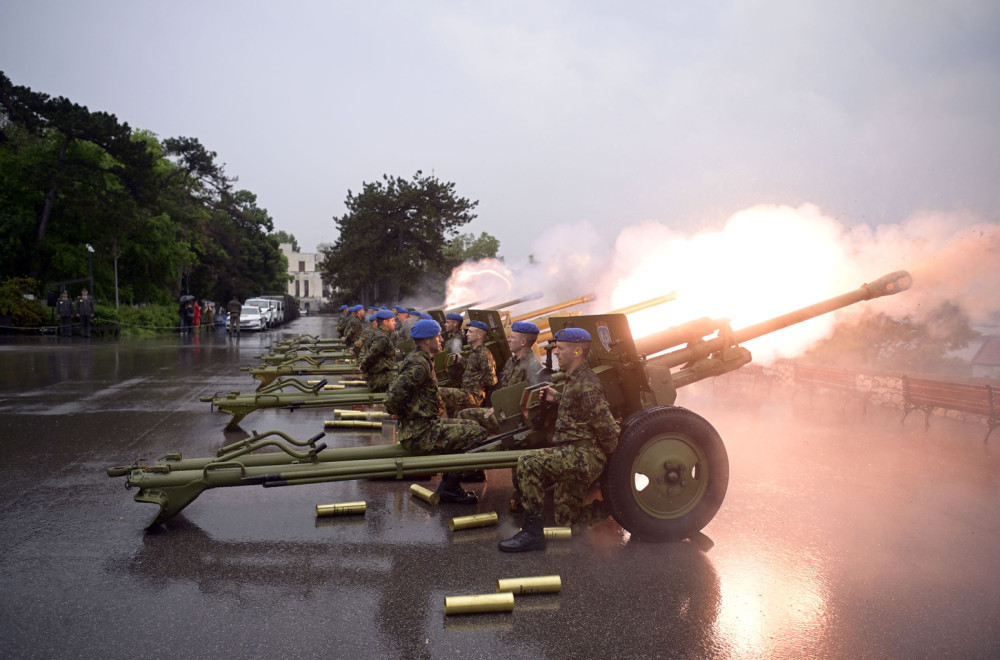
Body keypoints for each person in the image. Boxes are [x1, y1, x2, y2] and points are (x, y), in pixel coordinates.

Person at [498, 327, 621, 553]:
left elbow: (609, 431)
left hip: (583, 455)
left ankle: (532, 534)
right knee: (566, 521)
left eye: (561, 349)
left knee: (527, 462)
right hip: (574, 452)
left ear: (577, 351)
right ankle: (612, 508)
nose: (556, 353)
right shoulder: (576, 379)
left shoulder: (587, 385)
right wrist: (558, 398)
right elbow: (579, 407)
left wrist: (610, 468)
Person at [383, 319, 487, 504]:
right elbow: (393, 395)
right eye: (437, 337)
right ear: (427, 341)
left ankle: (450, 484)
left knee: (472, 425)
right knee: (476, 434)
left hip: (424, 426)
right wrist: (395, 411)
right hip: (420, 433)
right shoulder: (420, 365)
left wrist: (400, 411)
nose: (440, 339)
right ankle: (450, 487)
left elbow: (397, 387)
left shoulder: (419, 358)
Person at [457, 321, 544, 435]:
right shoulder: (512, 362)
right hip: (502, 411)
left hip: (512, 419)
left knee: (465, 416)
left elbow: (529, 403)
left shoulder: (533, 367)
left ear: (523, 342)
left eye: (512, 337)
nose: (508, 340)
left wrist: (499, 409)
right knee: (465, 416)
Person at [438, 320, 497, 417]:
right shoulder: (474, 352)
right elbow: (473, 369)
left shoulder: (484, 354)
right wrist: (462, 361)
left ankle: (444, 425)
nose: (467, 334)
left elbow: (492, 380)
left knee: (439, 392)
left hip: (474, 396)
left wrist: (475, 381)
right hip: (466, 392)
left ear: (479, 335)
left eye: (470, 332)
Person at [359, 310, 397, 392]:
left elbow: (364, 349)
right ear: (385, 322)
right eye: (393, 321)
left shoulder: (376, 333)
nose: (395, 323)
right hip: (379, 380)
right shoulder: (382, 337)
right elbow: (371, 355)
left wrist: (361, 363)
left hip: (377, 378)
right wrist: (362, 367)